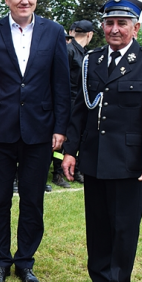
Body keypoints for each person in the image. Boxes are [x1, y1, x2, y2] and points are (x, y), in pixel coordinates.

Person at [62, 0, 142, 282]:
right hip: (94, 158)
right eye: (109, 23)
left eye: (122, 23)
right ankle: (98, 280)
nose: (115, 29)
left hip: (129, 161)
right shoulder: (92, 60)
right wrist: (70, 152)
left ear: (135, 28)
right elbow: (80, 109)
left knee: (124, 225)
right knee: (97, 223)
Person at [0, 0, 71, 282]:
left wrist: (60, 127)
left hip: (40, 132)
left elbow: (61, 83)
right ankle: (1, 261)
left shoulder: (54, 32)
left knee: (32, 201)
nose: (24, 0)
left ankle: (25, 262)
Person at [59, 19, 95, 185]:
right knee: (64, 137)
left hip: (80, 102)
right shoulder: (69, 51)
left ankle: (76, 169)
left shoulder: (85, 53)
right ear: (90, 34)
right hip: (68, 101)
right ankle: (58, 173)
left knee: (78, 136)